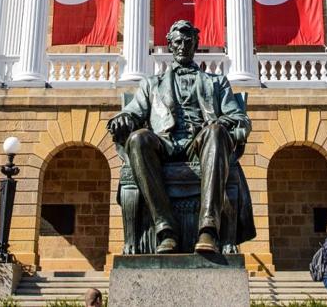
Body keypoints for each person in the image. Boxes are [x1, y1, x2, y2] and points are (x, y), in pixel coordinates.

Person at [107, 19, 252, 253]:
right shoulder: (152, 84)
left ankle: (208, 230)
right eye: (177, 42)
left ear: (196, 44)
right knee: (138, 139)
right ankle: (165, 229)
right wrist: (121, 119)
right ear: (169, 46)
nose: (183, 46)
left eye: (187, 41)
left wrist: (220, 122)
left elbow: (239, 119)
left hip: (202, 143)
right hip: (165, 144)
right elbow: (132, 112)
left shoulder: (216, 82)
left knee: (215, 132)